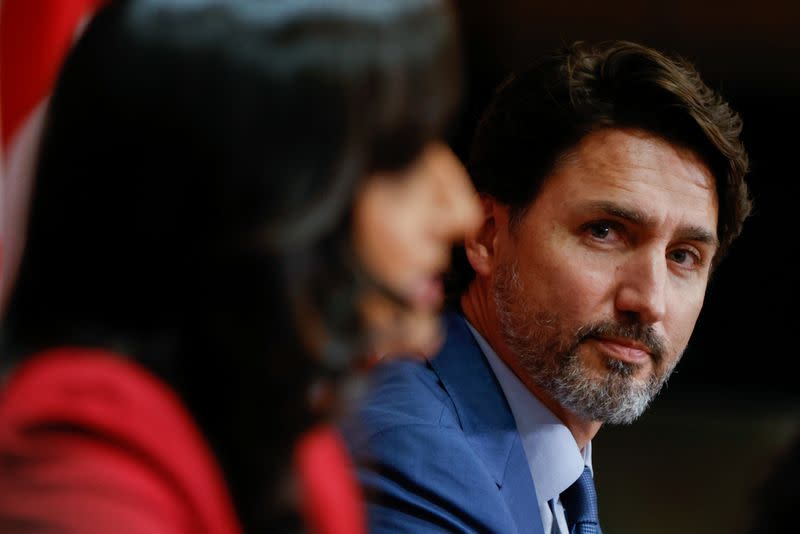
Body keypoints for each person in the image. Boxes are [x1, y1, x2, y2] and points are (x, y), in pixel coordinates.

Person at [0, 0, 479, 532]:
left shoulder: (280, 425)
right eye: (399, 163)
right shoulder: (81, 470)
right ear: (246, 193)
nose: (461, 210)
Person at [343, 40, 752, 533]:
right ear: (487, 234)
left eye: (683, 256)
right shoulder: (409, 454)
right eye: (604, 231)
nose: (648, 300)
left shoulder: (550, 465)